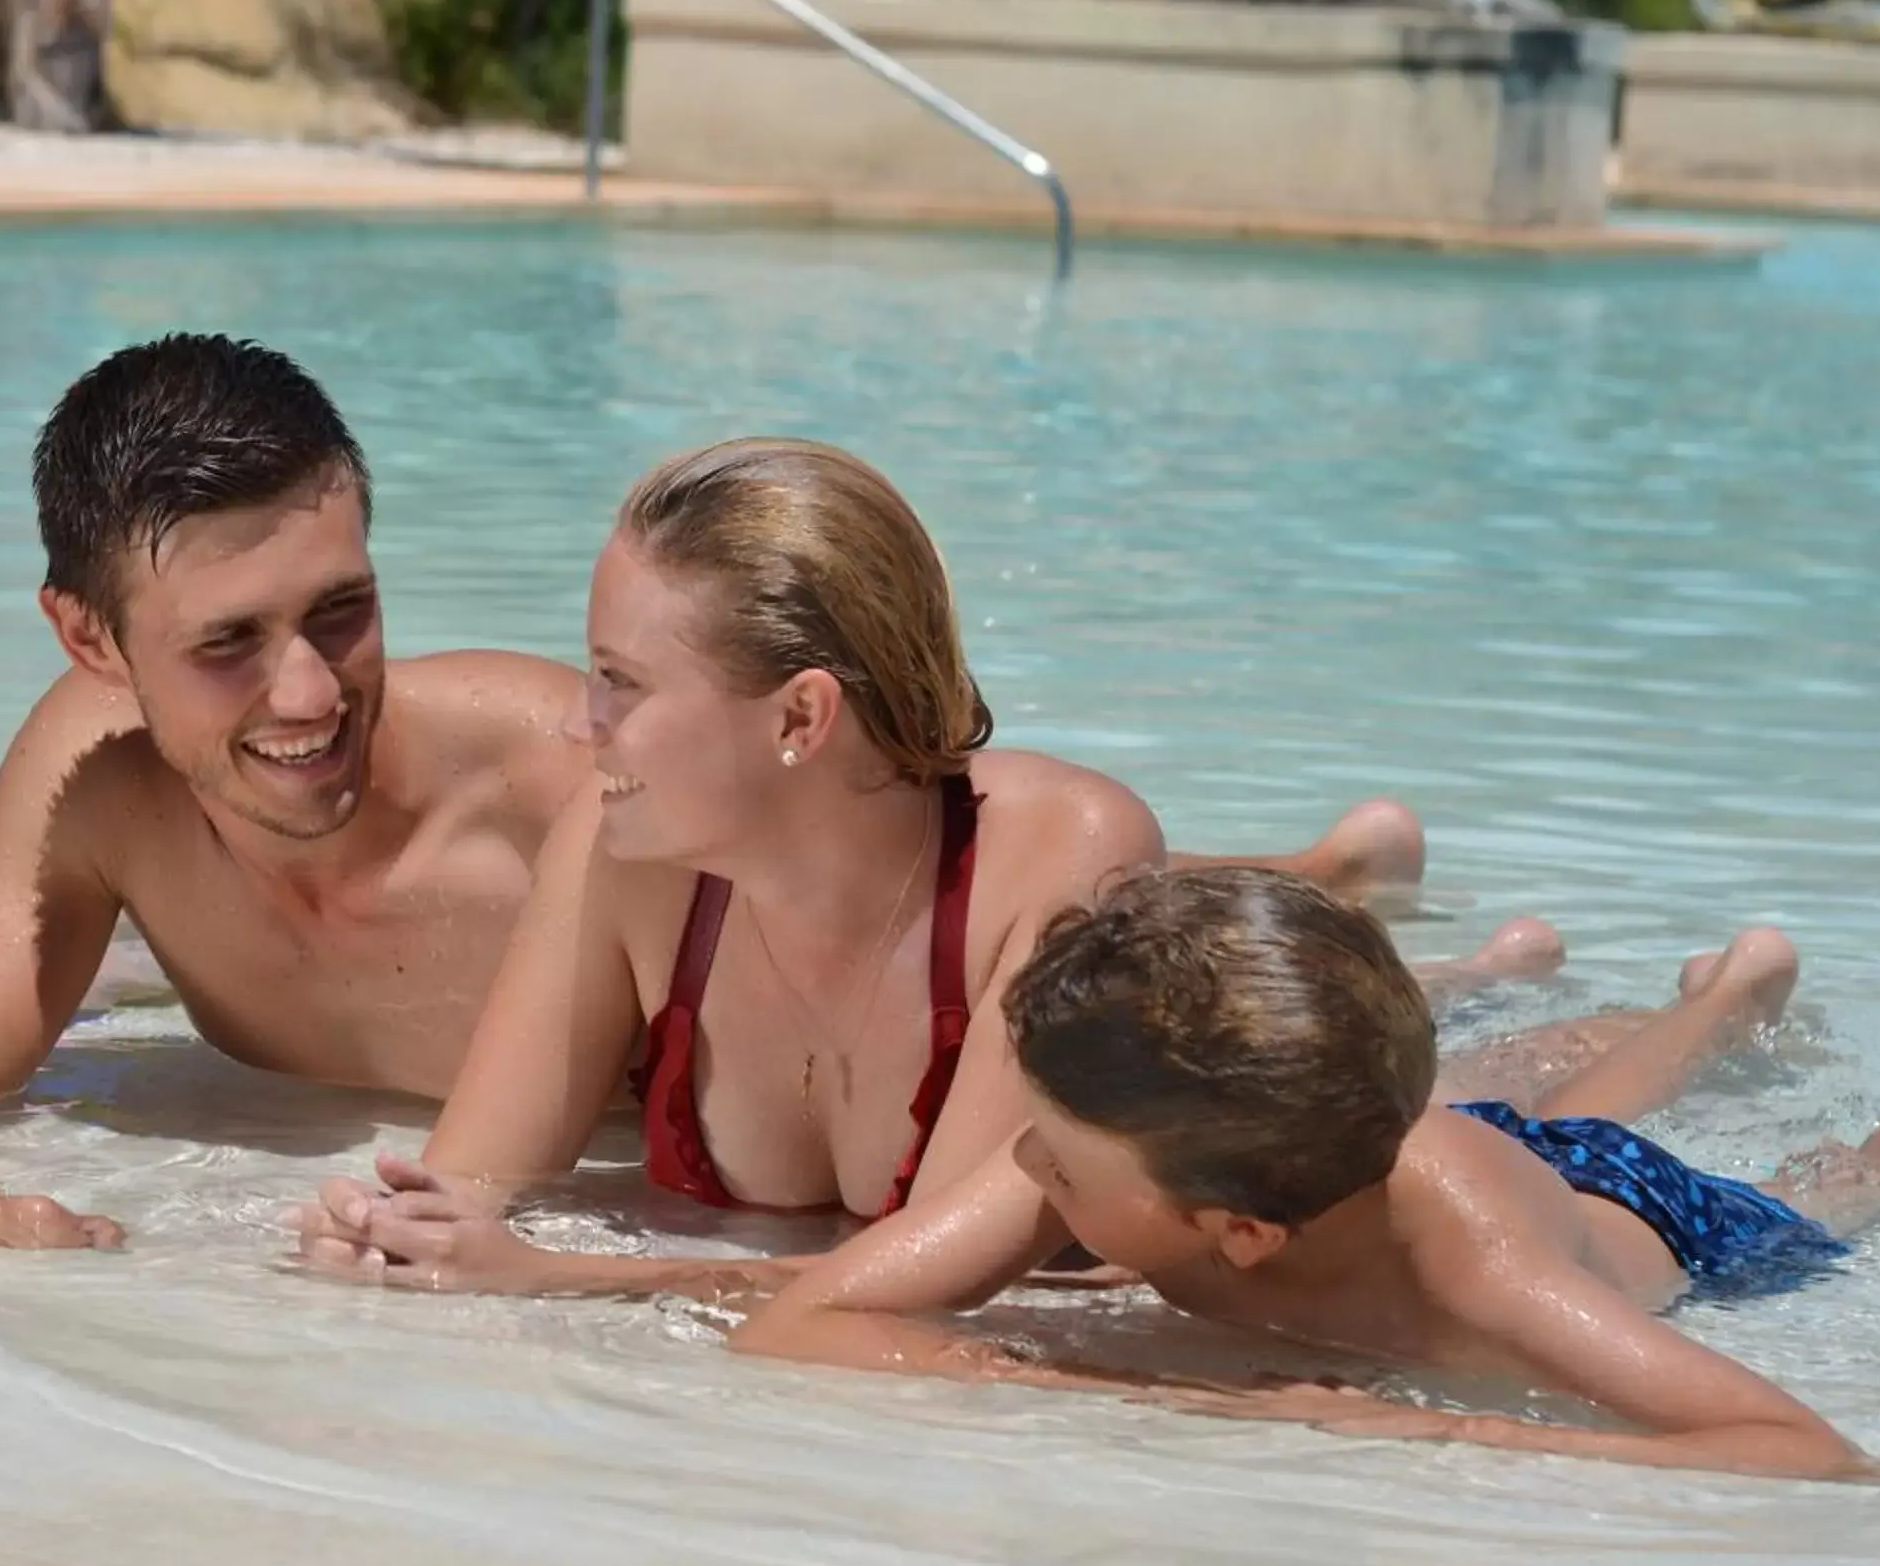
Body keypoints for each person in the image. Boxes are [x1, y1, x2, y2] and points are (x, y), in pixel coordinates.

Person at [0, 338, 1458, 1247]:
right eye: (229, 644)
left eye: (343, 611)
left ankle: (1320, 872)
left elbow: (871, 842)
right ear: (91, 639)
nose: (309, 691)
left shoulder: (567, 778)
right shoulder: (98, 787)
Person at [292, 442, 1613, 1297]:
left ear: (802, 718)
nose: (583, 726)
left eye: (622, 684)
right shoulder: (627, 849)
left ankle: (1686, 1002)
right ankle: (1442, 941)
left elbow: (926, 1281)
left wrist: (546, 1279)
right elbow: (469, 1186)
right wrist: (389, 1241)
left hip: (1290, 1136)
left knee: (1507, 1102)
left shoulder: (1057, 855)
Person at [731, 869, 1880, 1483]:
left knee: (1826, 1189)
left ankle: (1747, 1027)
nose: (1023, 1159)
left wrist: (1423, 1427)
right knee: (1551, 1113)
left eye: (1058, 1153)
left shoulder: (1483, 1278)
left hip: (1642, 1215)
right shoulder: (1110, 1131)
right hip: (1422, 1136)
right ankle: (1716, 1002)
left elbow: (1798, 1446)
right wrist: (1102, 1385)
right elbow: (804, 1320)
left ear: (1238, 1231)